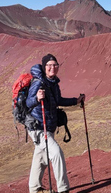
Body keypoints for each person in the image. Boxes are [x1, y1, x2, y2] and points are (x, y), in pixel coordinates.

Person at [26, 53, 85, 193]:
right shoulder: (38, 83)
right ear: (44, 67)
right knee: (56, 153)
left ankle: (34, 188)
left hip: (49, 126)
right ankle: (63, 189)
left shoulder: (53, 83)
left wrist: (75, 101)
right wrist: (37, 98)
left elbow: (58, 100)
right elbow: (29, 103)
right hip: (38, 127)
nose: (52, 68)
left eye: (55, 65)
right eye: (49, 65)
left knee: (40, 158)